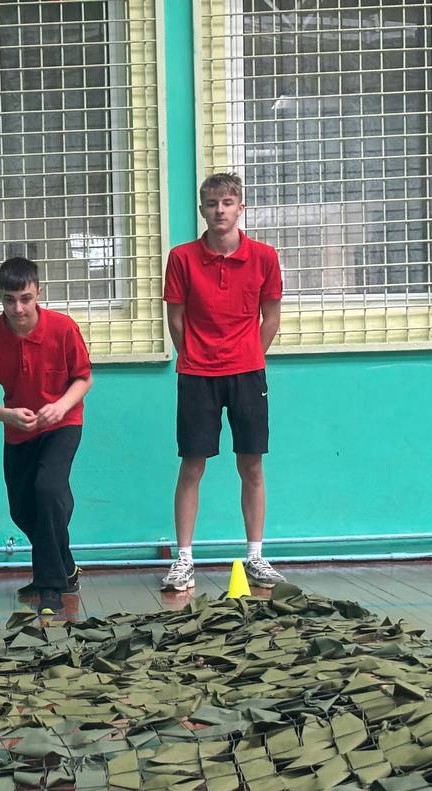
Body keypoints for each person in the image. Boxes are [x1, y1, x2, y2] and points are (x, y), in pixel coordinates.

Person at [160, 173, 284, 592]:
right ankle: (183, 560)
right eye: (212, 203)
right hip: (197, 375)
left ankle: (256, 556)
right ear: (202, 210)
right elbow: (176, 319)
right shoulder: (181, 258)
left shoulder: (264, 257)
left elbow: (271, 318)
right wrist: (195, 356)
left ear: (240, 208)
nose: (220, 210)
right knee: (192, 465)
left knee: (251, 464)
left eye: (228, 202)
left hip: (247, 374)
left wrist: (248, 355)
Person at [0, 257, 92, 616]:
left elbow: (83, 378)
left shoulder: (63, 328)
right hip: (18, 431)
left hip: (63, 424)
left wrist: (61, 406)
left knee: (48, 491)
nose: (18, 308)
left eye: (25, 299)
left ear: (38, 294)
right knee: (23, 509)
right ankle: (65, 565)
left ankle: (50, 586)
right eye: (9, 300)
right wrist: (7, 415)